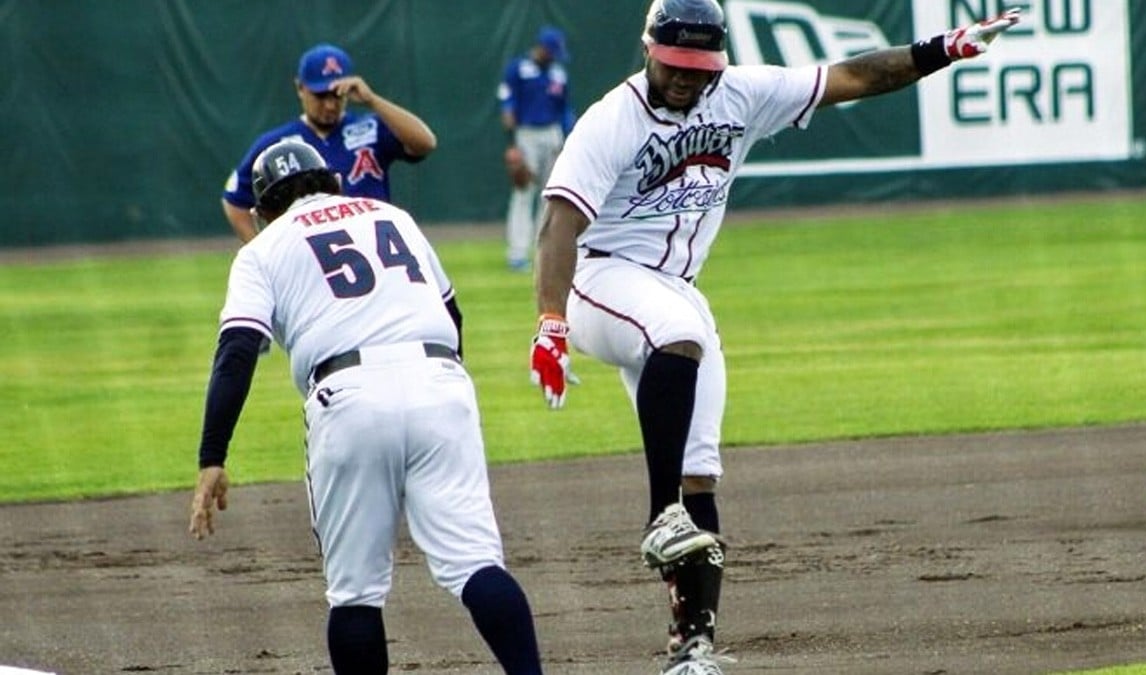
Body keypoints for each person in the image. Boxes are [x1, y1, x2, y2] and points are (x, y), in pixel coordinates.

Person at [527, 1, 1021, 673]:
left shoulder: (741, 95)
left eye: (698, 67)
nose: (685, 79)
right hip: (603, 282)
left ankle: (692, 648)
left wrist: (945, 47)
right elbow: (559, 222)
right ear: (649, 49)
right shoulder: (611, 120)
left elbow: (853, 77)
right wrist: (551, 323)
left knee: (701, 467)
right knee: (676, 335)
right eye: (674, 64)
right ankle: (659, 514)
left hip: (678, 290)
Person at [191, 139, 544, 675]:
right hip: (440, 379)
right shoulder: (392, 216)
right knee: (475, 565)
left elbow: (237, 351)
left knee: (355, 593)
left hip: (347, 395)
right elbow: (453, 315)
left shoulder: (261, 251)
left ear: (263, 211)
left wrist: (212, 455)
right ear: (331, 182)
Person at [221, 43, 438, 243]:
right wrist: (265, 252)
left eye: (337, 95)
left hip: (373, 242)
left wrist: (372, 100)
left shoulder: (372, 128)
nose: (330, 105)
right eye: (320, 95)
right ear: (300, 88)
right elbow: (235, 202)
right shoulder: (277, 144)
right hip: (314, 254)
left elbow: (425, 142)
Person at [497, 26, 576, 271]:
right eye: (552, 51)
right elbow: (507, 108)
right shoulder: (518, 69)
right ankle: (518, 253)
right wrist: (511, 144)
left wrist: (568, 140)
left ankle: (544, 251)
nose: (554, 56)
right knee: (523, 194)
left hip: (552, 134)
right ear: (542, 48)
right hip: (527, 133)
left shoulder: (558, 74)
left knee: (551, 195)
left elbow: (565, 109)